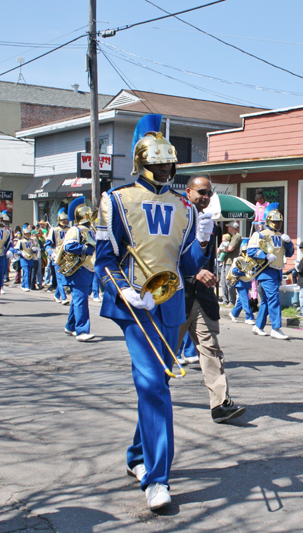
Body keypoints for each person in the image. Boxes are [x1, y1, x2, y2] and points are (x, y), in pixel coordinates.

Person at [94, 116, 212, 511]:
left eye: (169, 163)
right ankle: (157, 480)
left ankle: (137, 457)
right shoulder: (116, 200)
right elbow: (104, 258)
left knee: (156, 385)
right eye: (158, 163)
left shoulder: (185, 207)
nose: (165, 169)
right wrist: (125, 290)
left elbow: (185, 258)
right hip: (135, 303)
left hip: (172, 303)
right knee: (154, 386)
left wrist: (204, 261)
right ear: (141, 162)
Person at [180, 174, 246, 423]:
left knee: (210, 349)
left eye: (208, 193)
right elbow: (169, 256)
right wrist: (194, 271)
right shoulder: (178, 219)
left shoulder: (212, 223)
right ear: (188, 192)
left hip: (203, 296)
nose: (205, 197)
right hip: (178, 293)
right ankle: (153, 395)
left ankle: (220, 404)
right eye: (201, 193)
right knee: (165, 352)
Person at [248, 203, 294, 339]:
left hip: (277, 270)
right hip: (265, 271)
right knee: (274, 298)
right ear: (269, 221)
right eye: (275, 222)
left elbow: (289, 254)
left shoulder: (281, 235)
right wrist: (265, 255)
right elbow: (250, 250)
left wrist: (289, 243)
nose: (278, 224)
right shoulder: (260, 234)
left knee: (267, 301)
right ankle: (276, 328)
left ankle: (258, 326)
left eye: (279, 222)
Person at [62, 197, 97, 342]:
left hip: (90, 267)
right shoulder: (74, 230)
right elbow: (68, 246)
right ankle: (82, 330)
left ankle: (70, 326)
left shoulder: (91, 230)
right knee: (81, 299)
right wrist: (84, 249)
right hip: (79, 268)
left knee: (79, 299)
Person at [45, 208, 71, 305]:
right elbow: (47, 244)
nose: (65, 221)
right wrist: (51, 253)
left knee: (65, 278)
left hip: (67, 257)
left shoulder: (70, 230)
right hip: (57, 257)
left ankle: (56, 295)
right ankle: (63, 297)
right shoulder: (54, 230)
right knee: (60, 279)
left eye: (66, 220)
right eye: (63, 220)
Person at [228, 238, 256, 324]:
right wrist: (245, 272)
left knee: (241, 300)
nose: (247, 253)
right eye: (245, 251)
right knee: (245, 300)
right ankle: (249, 317)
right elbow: (235, 271)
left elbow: (253, 269)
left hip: (246, 282)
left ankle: (233, 313)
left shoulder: (250, 260)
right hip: (239, 282)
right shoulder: (238, 259)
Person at [219, 221, 242, 306]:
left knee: (229, 281)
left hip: (231, 262)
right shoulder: (229, 236)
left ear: (233, 227)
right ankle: (225, 300)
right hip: (225, 261)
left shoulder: (237, 236)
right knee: (223, 281)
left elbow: (230, 248)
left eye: (229, 227)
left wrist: (221, 249)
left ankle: (232, 301)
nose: (228, 228)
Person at [17, 226, 39, 292]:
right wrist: (21, 253)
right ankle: (27, 286)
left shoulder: (32, 241)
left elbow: (35, 250)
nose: (28, 235)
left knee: (28, 272)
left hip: (30, 257)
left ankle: (23, 285)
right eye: (27, 234)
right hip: (23, 258)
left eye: (29, 234)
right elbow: (16, 250)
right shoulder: (21, 241)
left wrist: (35, 250)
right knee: (26, 271)